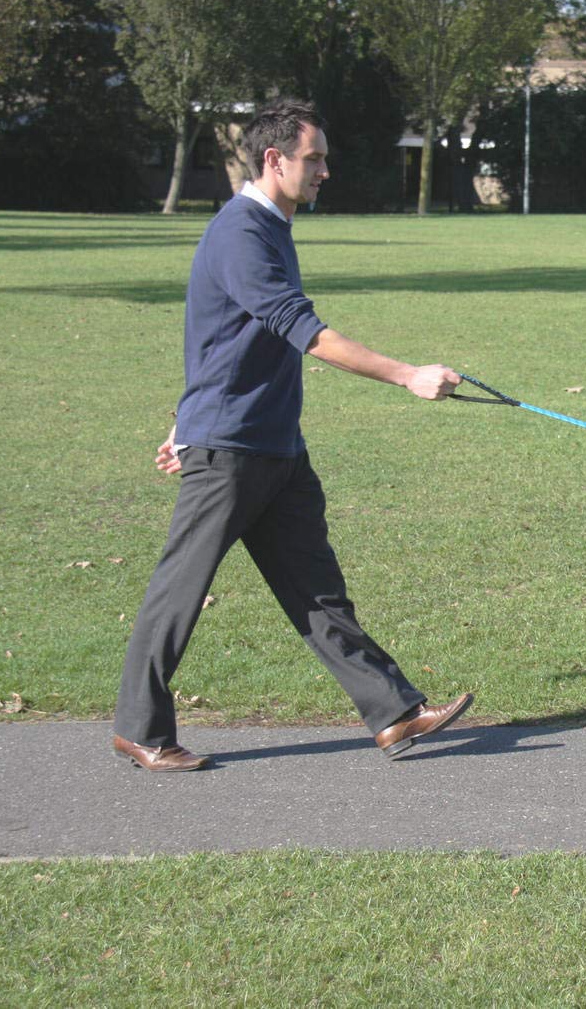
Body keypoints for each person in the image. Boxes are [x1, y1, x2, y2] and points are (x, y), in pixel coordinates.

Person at [113, 98, 472, 771]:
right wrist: (406, 375)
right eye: (314, 158)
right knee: (179, 589)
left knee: (316, 590)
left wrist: (183, 416)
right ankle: (141, 729)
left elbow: (223, 335)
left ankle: (393, 713)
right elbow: (304, 332)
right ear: (274, 159)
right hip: (232, 450)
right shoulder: (242, 232)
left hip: (273, 445)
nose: (325, 171)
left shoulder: (270, 225)